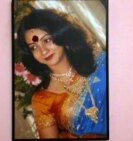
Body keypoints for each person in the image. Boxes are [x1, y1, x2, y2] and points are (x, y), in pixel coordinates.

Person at [17, 9, 107, 139]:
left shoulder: (99, 61)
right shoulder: (43, 100)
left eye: (47, 40)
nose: (43, 51)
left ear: (60, 35)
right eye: (33, 47)